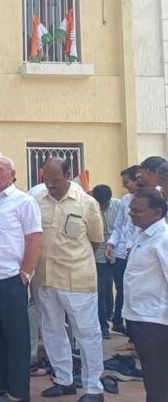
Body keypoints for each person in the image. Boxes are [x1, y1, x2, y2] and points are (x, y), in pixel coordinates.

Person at [31, 158, 105, 401]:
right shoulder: (36, 200)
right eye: (47, 180)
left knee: (86, 333)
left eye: (55, 180)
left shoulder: (87, 203)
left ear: (68, 174)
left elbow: (95, 240)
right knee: (52, 330)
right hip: (44, 277)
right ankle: (64, 380)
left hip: (77, 279)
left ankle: (94, 388)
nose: (51, 185)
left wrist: (74, 259)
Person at [0, 157, 42, 402]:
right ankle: (0, 383)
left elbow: (34, 240)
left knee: (16, 339)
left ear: (12, 174)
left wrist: (25, 274)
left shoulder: (24, 202)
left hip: (10, 279)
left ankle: (18, 392)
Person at [123, 188, 168, 402]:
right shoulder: (144, 235)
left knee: (158, 379)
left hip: (155, 320)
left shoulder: (163, 239)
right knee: (152, 377)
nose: (131, 214)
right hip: (139, 316)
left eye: (137, 210)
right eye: (131, 209)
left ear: (157, 212)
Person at [105, 165, 140, 335]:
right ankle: (119, 322)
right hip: (121, 252)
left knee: (134, 291)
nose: (124, 186)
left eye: (127, 182)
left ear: (137, 179)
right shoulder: (125, 200)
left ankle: (135, 334)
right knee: (122, 289)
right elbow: (119, 225)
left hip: (138, 251)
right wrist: (111, 244)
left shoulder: (151, 198)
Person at [92, 184, 121, 338]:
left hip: (119, 250)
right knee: (101, 291)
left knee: (121, 289)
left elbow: (123, 229)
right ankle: (103, 326)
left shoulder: (119, 206)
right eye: (100, 205)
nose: (102, 208)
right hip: (98, 252)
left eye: (105, 204)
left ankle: (117, 320)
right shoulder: (90, 207)